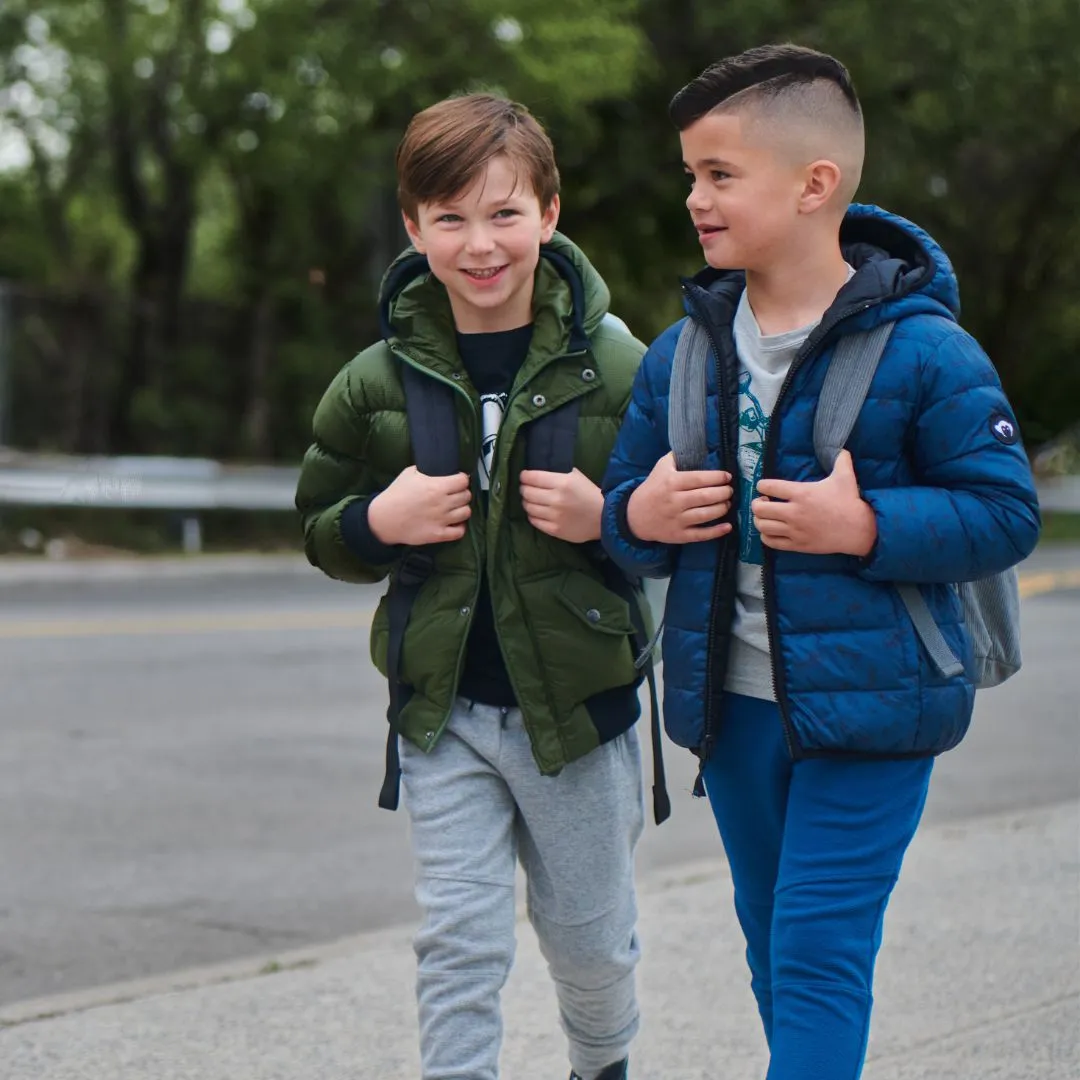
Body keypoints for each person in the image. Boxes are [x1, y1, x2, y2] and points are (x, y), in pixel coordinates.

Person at [600, 44, 1040, 1080]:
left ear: (815, 185)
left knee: (815, 951)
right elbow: (622, 523)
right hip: (735, 709)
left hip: (877, 708)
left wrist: (867, 528)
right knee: (771, 944)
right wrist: (645, 511)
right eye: (691, 177)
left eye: (720, 174)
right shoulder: (683, 354)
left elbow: (1006, 512)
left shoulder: (927, 350)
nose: (697, 200)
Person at [296, 92, 653, 1080]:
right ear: (414, 228)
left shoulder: (623, 369)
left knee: (589, 946)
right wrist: (378, 522)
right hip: (442, 715)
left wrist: (608, 519)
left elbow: (680, 538)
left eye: (504, 214)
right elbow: (320, 528)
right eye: (450, 218)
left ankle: (603, 1066)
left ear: (549, 213)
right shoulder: (375, 381)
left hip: (578, 719)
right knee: (458, 943)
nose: (479, 243)